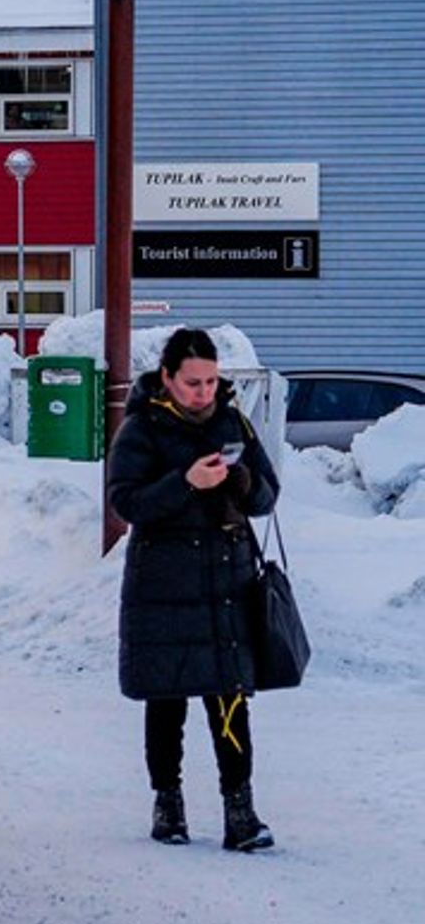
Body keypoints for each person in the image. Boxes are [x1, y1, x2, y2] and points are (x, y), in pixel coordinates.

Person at [106, 327, 281, 852]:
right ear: (167, 379)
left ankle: (241, 812)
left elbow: (268, 495)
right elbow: (127, 503)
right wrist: (186, 482)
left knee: (230, 699)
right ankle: (168, 803)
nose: (203, 392)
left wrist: (244, 482)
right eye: (192, 383)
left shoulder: (234, 421)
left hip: (227, 580)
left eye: (210, 381)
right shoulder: (141, 429)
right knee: (167, 699)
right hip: (164, 584)